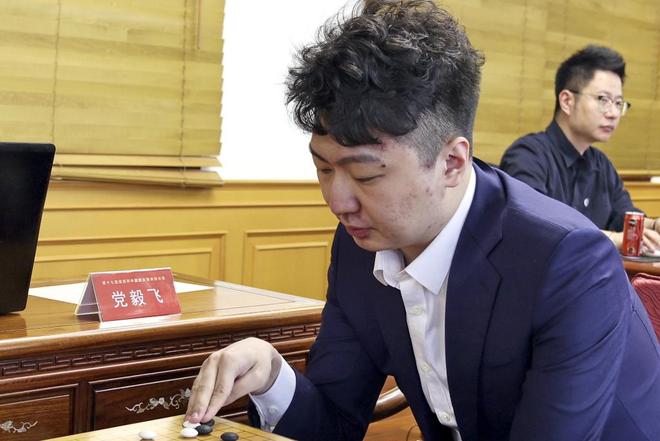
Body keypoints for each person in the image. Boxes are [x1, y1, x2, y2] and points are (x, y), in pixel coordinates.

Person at [186, 1, 660, 440]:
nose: (338, 201)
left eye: (366, 175)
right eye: (324, 169)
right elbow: (334, 421)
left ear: (452, 162)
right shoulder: (361, 246)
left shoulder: (567, 260)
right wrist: (272, 376)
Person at [500, 45, 660, 255]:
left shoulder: (602, 165)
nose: (613, 113)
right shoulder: (528, 156)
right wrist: (613, 239)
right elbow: (534, 226)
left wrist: (655, 225)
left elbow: (624, 217)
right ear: (567, 101)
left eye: (618, 103)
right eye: (603, 100)